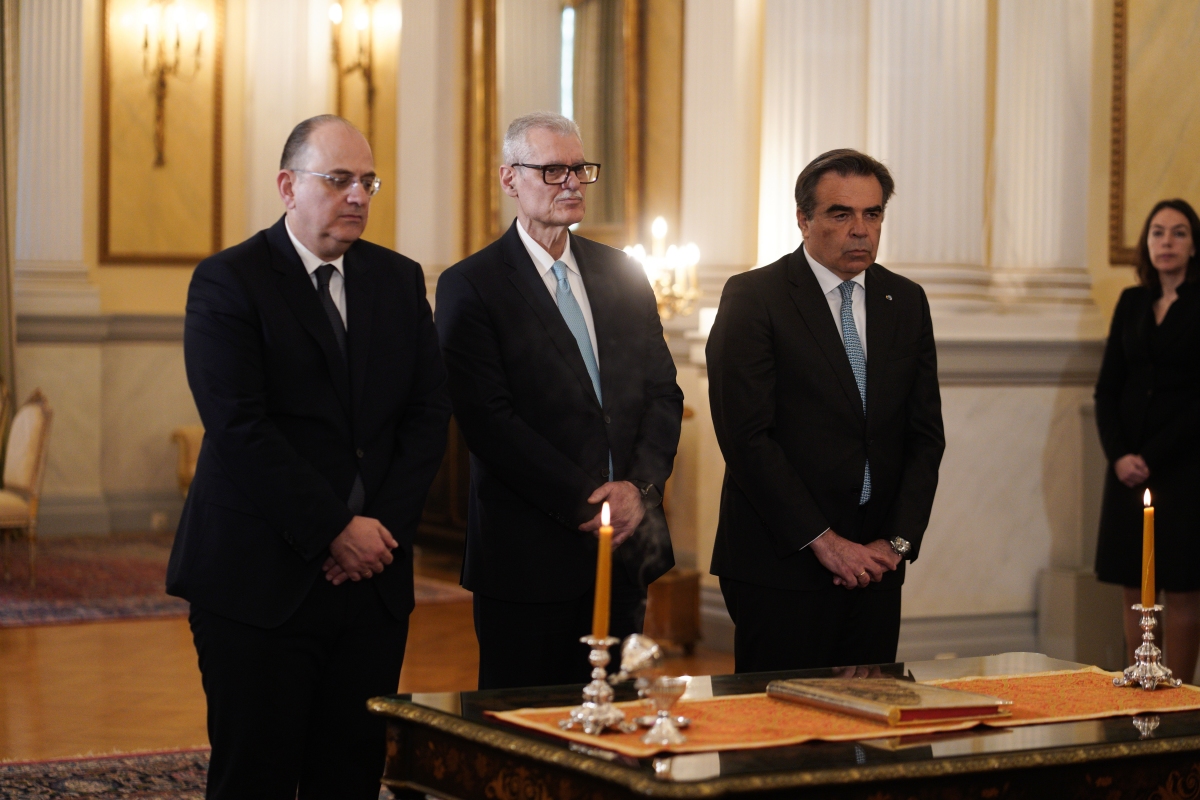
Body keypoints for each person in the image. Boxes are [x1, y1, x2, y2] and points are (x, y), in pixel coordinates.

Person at [167, 115, 451, 799]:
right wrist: (333, 529)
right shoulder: (229, 280)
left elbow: (426, 416)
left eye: (367, 182)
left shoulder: (397, 279)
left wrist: (378, 535)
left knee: (350, 776)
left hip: (371, 583)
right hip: (258, 581)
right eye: (338, 179)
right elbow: (239, 427)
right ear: (288, 187)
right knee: (254, 778)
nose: (357, 195)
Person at [435, 111, 683, 690]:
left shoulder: (621, 271)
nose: (571, 182)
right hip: (527, 555)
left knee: (616, 716)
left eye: (579, 169)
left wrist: (639, 490)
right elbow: (488, 421)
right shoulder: (471, 284)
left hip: (626, 546)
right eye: (552, 170)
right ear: (509, 178)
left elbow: (662, 392)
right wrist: (589, 502)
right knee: (525, 721)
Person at [706, 148, 945, 672]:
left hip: (877, 567)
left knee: (870, 717)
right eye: (841, 214)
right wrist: (826, 542)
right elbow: (747, 438)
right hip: (782, 564)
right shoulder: (754, 297)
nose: (860, 230)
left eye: (872, 214)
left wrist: (896, 543)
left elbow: (925, 435)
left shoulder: (905, 300)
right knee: (779, 720)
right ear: (803, 219)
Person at [1094, 199, 1200, 681]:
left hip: (1184, 467)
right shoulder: (1132, 302)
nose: (1167, 242)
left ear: (1194, 245)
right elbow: (1107, 388)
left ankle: (1179, 695)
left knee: (1182, 586)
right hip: (1127, 468)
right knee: (1133, 584)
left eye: (1179, 232)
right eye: (1158, 232)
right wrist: (1119, 455)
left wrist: (1150, 457)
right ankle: (1141, 680)